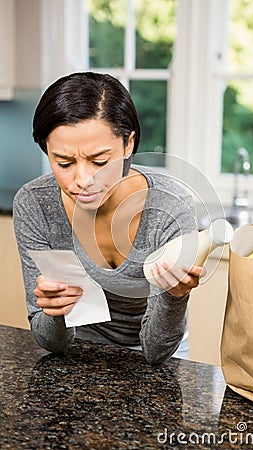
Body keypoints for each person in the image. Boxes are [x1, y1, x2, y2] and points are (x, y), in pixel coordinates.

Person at [13, 72, 205, 365]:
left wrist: (173, 297)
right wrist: (55, 312)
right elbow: (50, 342)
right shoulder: (34, 204)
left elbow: (156, 352)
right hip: (77, 354)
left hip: (155, 356)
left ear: (129, 144)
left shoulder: (169, 207)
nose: (83, 180)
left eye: (100, 162)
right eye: (63, 163)